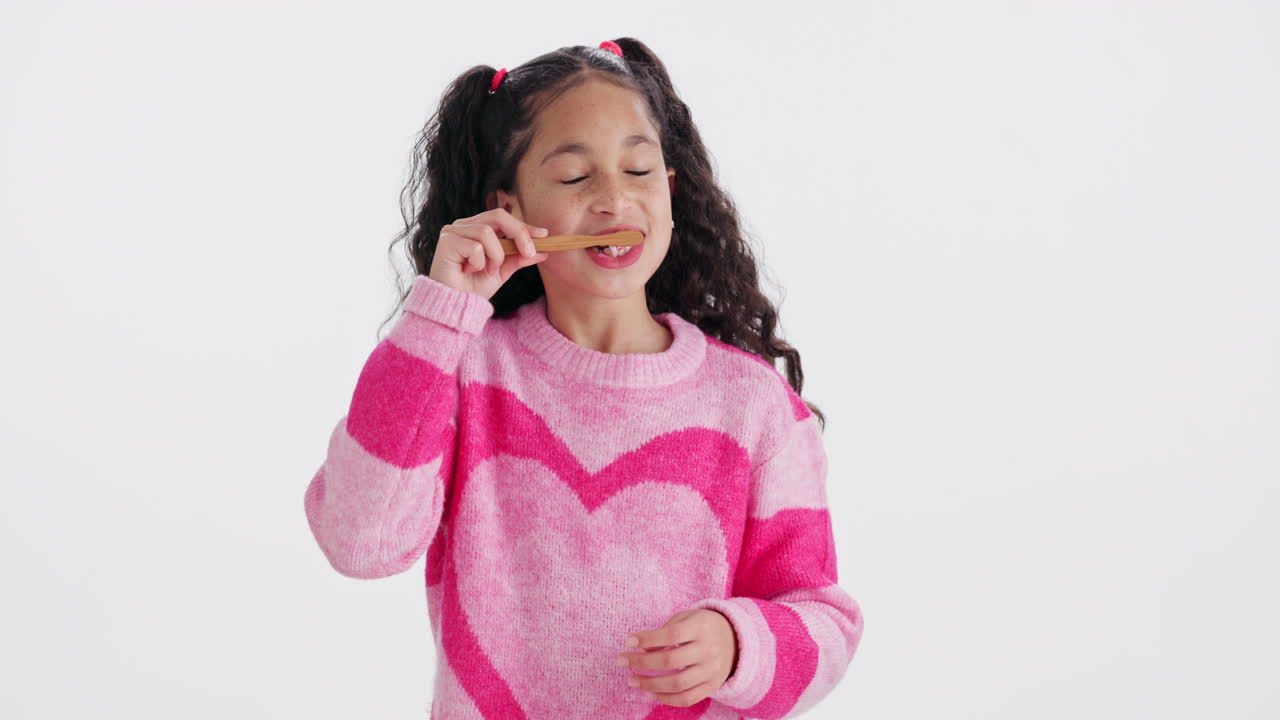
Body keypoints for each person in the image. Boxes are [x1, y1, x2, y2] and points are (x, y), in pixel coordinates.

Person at [304, 37, 864, 719]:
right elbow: (358, 541)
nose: (612, 200)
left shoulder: (753, 407)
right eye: (574, 178)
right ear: (506, 207)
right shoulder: (463, 373)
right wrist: (438, 316)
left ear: (671, 191)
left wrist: (738, 644)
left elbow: (823, 620)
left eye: (638, 170)